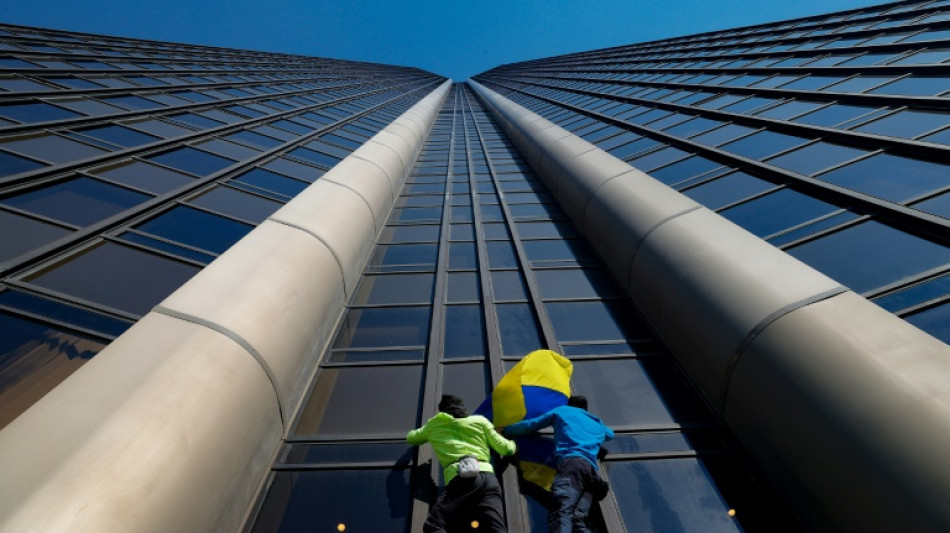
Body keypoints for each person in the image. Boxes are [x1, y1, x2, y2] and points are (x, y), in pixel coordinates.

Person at [501, 396, 613, 533]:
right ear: (585, 409)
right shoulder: (597, 422)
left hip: (572, 467)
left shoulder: (563, 411)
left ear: (570, 405)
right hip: (592, 475)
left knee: (562, 514)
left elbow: (531, 425)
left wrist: (506, 430)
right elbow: (610, 434)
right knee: (577, 521)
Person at [408, 394, 517, 533]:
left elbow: (411, 438)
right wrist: (513, 443)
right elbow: (506, 449)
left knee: (434, 525)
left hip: (460, 479)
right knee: (495, 527)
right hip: (488, 480)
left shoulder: (433, 425)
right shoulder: (480, 421)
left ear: (442, 411)